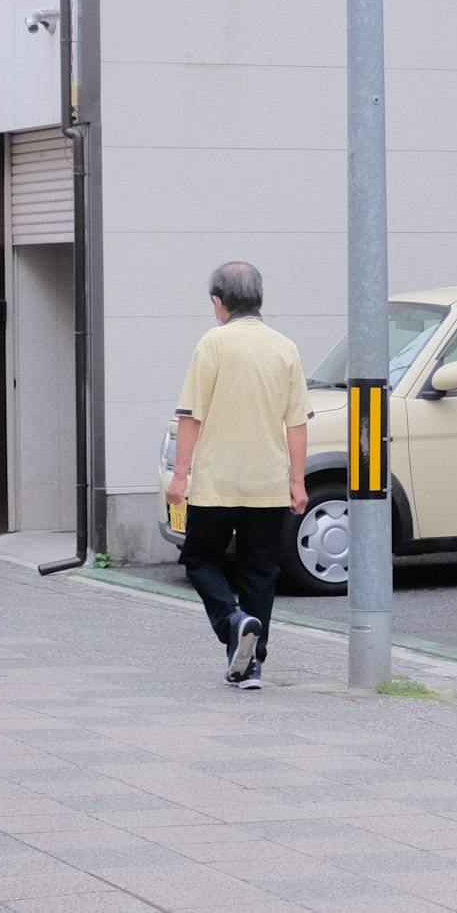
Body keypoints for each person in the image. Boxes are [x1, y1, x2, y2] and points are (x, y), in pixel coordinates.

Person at [165, 262, 310, 690]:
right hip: (266, 484)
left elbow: (191, 416)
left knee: (199, 559)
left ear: (218, 301)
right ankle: (250, 666)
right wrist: (297, 481)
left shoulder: (214, 343)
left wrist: (179, 477)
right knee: (259, 571)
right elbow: (297, 422)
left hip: (217, 484)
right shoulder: (285, 348)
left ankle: (232, 621)